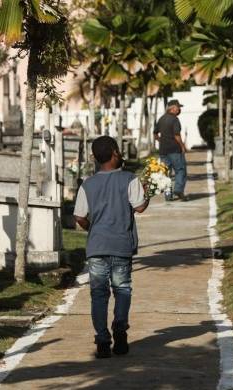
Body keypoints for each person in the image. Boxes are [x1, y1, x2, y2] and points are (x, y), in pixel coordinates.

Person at [74, 135, 149, 358]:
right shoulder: (129, 179)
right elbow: (140, 208)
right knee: (122, 288)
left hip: (97, 246)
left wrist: (93, 229)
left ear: (95, 158)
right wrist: (148, 195)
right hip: (121, 245)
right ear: (116, 153)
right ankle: (120, 329)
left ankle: (102, 340)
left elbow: (79, 216)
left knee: (98, 294)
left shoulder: (87, 184)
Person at [154, 99, 188, 201]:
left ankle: (168, 195)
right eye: (178, 107)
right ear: (173, 108)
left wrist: (161, 141)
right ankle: (178, 189)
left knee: (166, 173)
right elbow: (177, 135)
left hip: (163, 151)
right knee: (180, 170)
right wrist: (182, 146)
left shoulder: (161, 119)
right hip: (175, 150)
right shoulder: (174, 120)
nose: (179, 110)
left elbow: (155, 134)